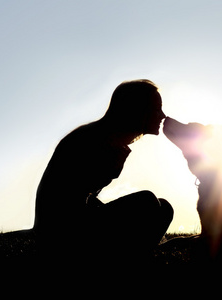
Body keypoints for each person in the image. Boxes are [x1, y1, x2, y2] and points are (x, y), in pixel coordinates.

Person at [34, 79, 173, 261]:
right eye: (157, 108)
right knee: (147, 202)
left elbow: (84, 197)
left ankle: (138, 252)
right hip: (61, 233)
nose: (162, 115)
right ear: (137, 110)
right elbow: (66, 199)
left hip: (72, 225)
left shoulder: (109, 139)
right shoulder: (94, 140)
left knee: (164, 208)